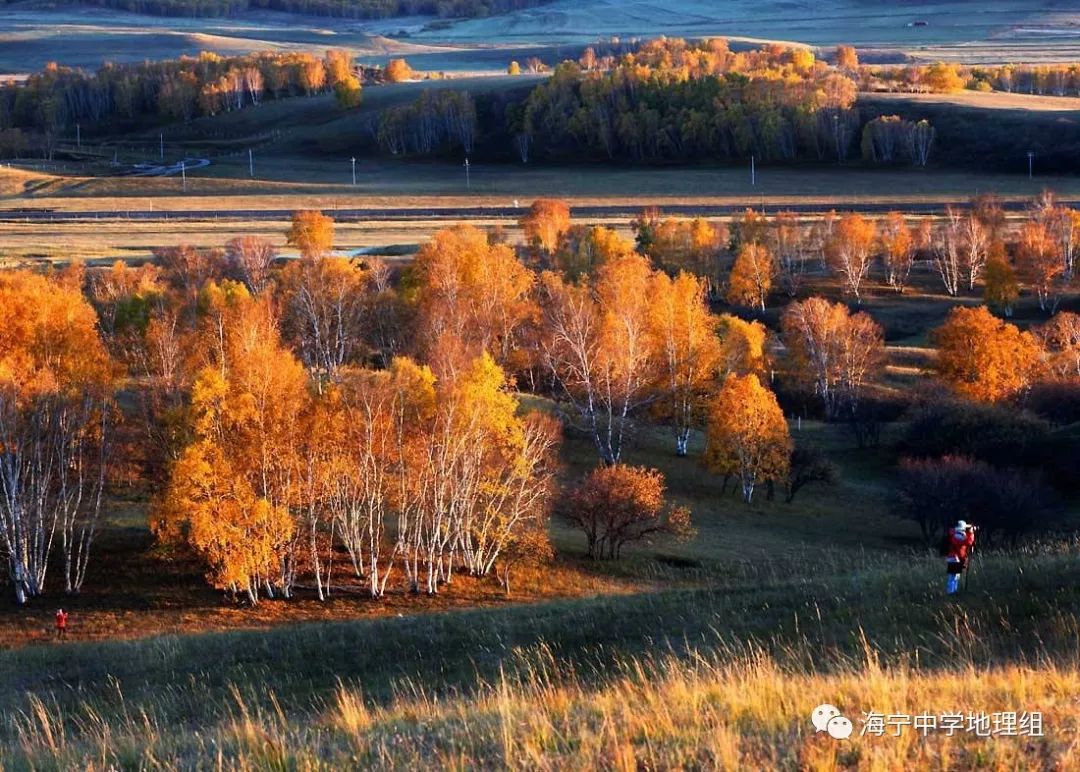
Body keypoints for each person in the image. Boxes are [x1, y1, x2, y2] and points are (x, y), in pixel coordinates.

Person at [944, 520, 976, 595]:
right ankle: (951, 592)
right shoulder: (958, 536)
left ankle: (953, 591)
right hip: (955, 558)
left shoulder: (954, 534)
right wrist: (971, 533)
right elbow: (969, 542)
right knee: (953, 576)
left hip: (953, 558)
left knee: (955, 576)